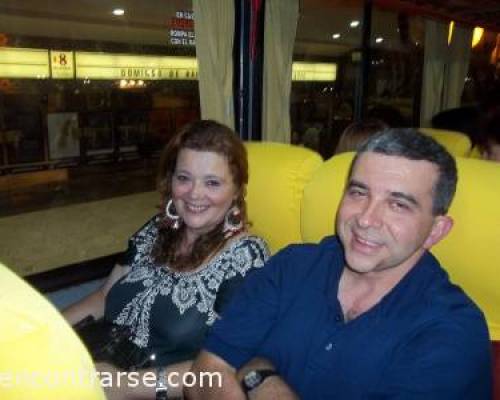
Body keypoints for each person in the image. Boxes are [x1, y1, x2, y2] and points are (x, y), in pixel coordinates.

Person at [186, 128, 492, 400]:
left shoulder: (453, 331)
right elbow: (206, 372)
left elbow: (233, 367)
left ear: (436, 231)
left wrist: (259, 376)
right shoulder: (292, 266)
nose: (366, 219)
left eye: (398, 205)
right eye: (358, 192)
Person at [63, 120, 269, 399]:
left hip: (150, 389)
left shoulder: (246, 258)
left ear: (236, 191)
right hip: (93, 362)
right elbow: (104, 295)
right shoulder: (155, 229)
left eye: (212, 182)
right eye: (184, 178)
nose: (194, 193)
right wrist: (49, 327)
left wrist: (125, 386)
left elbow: (226, 363)